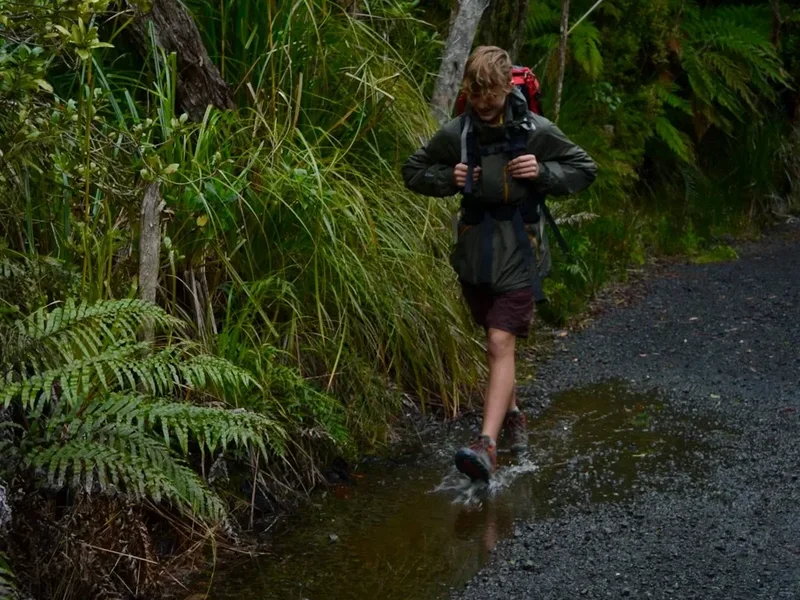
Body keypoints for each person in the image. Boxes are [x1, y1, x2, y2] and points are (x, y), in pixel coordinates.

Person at [402, 46, 597, 482]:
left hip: (521, 253)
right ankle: (513, 417)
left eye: (492, 93)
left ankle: (486, 445)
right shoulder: (459, 134)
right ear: (469, 92)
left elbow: (584, 168)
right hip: (475, 256)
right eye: (477, 94)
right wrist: (445, 178)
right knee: (494, 342)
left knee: (498, 341)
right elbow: (413, 170)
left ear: (507, 87)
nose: (485, 102)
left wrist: (543, 171)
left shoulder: (535, 131)